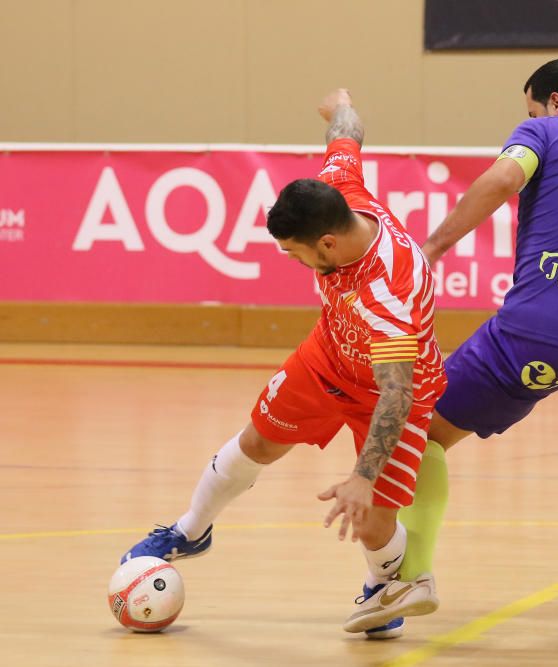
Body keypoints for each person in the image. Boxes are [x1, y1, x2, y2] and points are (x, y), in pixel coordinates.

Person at [345, 57, 558, 635]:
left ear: (554, 102)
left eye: (530, 107)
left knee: (428, 431)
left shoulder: (546, 132)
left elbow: (505, 179)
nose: (526, 117)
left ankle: (415, 576)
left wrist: (432, 248)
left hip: (533, 330)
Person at [120, 89, 447, 640]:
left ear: (326, 243)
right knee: (257, 442)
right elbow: (347, 132)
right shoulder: (341, 190)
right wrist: (340, 106)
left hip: (396, 390)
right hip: (329, 358)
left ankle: (383, 589)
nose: (293, 262)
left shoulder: (387, 291)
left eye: (294, 253)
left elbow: (397, 394)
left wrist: (362, 476)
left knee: (371, 519)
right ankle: (190, 531)